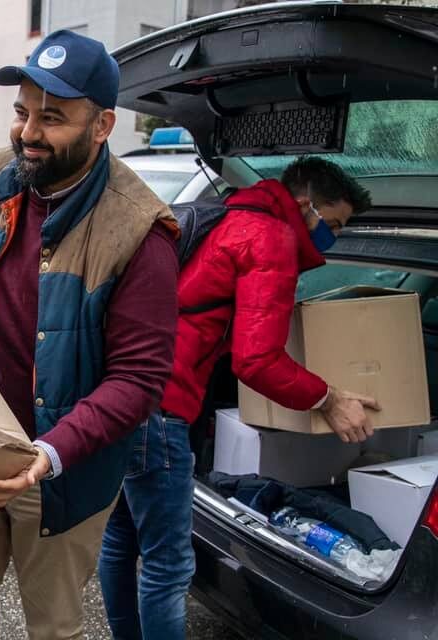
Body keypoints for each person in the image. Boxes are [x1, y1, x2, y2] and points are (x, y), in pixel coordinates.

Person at [0, 30, 180, 640]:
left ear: (102, 126)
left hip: (62, 471)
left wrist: (47, 457)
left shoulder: (138, 232)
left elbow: (139, 382)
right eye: (22, 112)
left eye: (53, 118)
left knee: (53, 627)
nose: (27, 132)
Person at [98, 156, 377, 640]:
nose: (331, 237)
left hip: (123, 388)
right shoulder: (271, 238)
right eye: (332, 224)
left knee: (120, 538)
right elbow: (257, 361)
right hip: (164, 402)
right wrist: (329, 399)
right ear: (307, 204)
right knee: (167, 565)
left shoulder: (229, 215)